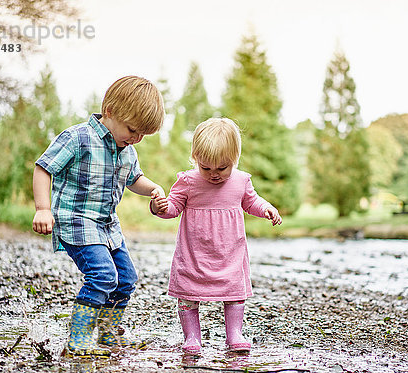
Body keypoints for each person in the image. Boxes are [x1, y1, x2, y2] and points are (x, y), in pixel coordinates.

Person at [32, 76, 166, 357]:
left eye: (143, 135)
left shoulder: (128, 150)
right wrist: (43, 208)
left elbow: (134, 179)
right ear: (111, 111)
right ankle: (78, 338)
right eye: (133, 130)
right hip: (77, 222)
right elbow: (44, 168)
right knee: (103, 275)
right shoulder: (78, 138)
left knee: (126, 278)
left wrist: (153, 188)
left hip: (107, 227)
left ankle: (107, 335)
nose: (136, 139)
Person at [150, 117, 282, 353]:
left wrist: (266, 208)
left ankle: (234, 334)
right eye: (205, 168)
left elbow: (251, 202)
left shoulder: (241, 181)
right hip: (195, 252)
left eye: (222, 168)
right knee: (188, 293)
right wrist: (159, 208)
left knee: (234, 292)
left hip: (229, 251)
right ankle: (192, 337)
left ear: (235, 159)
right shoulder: (188, 181)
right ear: (195, 159)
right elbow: (173, 207)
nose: (214, 175)